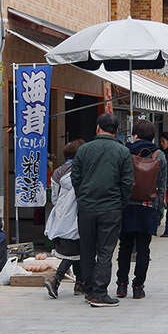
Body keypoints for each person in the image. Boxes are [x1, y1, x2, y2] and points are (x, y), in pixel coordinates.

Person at [71, 113, 133, 307]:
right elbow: (127, 182)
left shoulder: (84, 150)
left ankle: (88, 288)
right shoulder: (122, 152)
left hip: (87, 207)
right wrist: (120, 202)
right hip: (111, 207)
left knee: (87, 249)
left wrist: (82, 196)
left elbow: (75, 177)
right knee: (105, 251)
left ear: (98, 128)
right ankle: (99, 292)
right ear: (116, 131)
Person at [116, 120, 166, 300]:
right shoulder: (159, 155)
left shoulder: (125, 151)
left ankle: (122, 285)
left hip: (126, 206)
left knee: (125, 246)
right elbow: (162, 184)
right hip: (148, 206)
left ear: (135, 134)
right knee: (143, 248)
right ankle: (138, 286)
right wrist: (160, 210)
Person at [44, 139, 86, 299]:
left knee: (75, 251)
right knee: (74, 251)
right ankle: (56, 280)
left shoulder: (57, 172)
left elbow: (54, 198)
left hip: (61, 214)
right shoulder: (83, 170)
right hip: (77, 214)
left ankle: (80, 284)